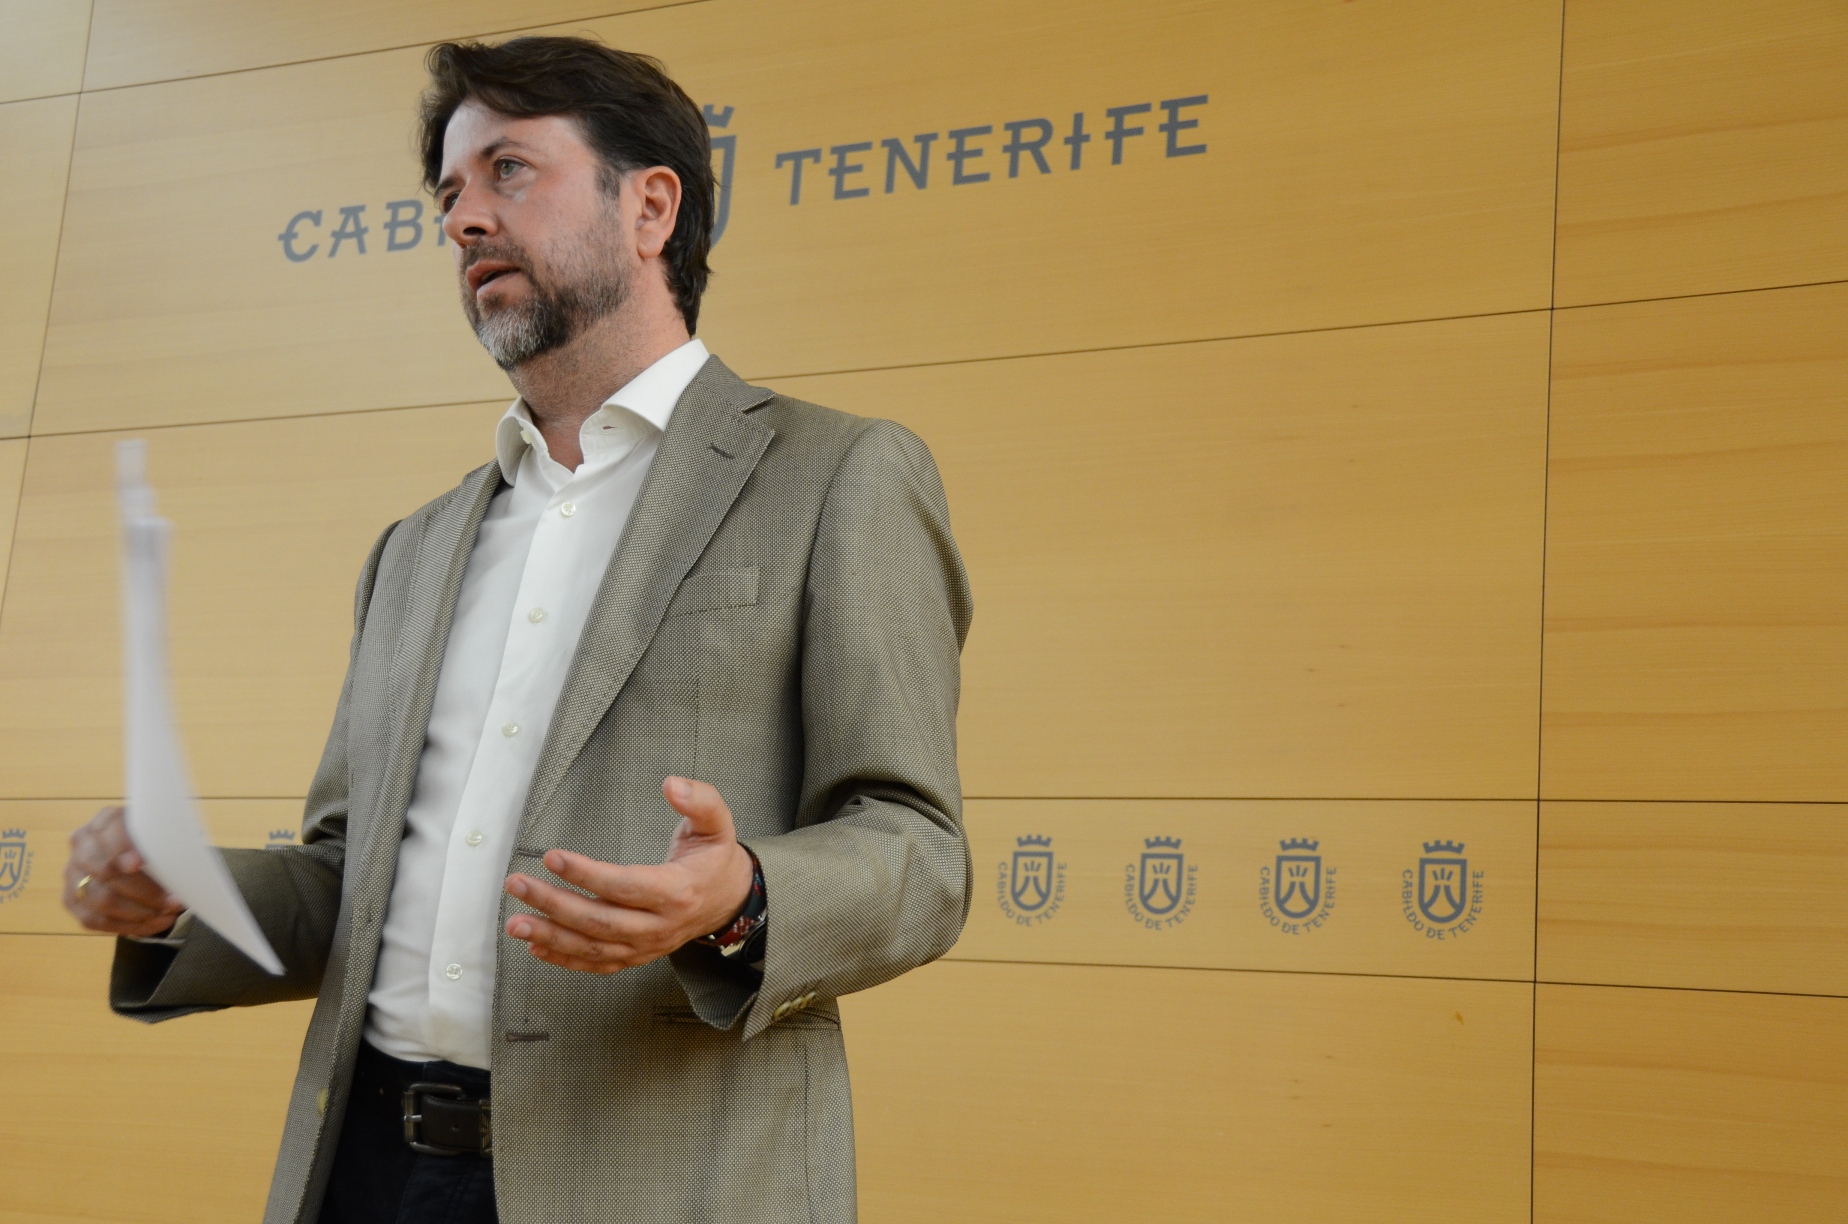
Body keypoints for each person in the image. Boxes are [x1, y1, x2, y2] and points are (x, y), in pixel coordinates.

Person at [62, 35, 971, 1224]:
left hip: (661, 1179)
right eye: (450, 193)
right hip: (364, 1170)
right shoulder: (415, 547)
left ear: (650, 208)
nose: (465, 219)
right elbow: (346, 877)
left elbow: (917, 849)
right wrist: (179, 895)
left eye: (509, 172)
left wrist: (744, 897)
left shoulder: (837, 475)